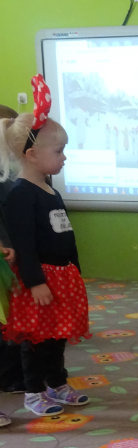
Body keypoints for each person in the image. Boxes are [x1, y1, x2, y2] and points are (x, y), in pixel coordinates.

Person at [0, 95, 91, 422]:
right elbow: (24, 244)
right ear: (32, 155)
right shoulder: (20, 195)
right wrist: (35, 281)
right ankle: (34, 391)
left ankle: (57, 383)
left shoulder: (51, 191)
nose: (64, 157)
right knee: (36, 339)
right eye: (59, 151)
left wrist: (75, 271)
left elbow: (66, 236)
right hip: (39, 279)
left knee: (57, 335)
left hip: (62, 277)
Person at [0, 105, 24, 409]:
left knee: (14, 316)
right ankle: (10, 375)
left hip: (15, 256)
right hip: (7, 258)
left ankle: (16, 372)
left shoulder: (13, 175)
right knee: (7, 318)